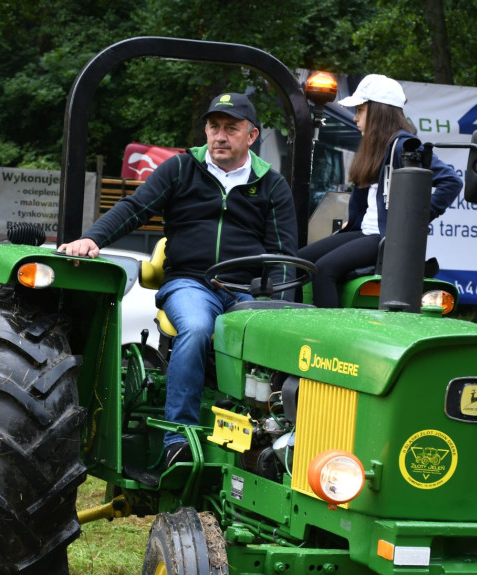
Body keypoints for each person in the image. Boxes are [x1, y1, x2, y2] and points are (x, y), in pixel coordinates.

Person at [58, 92, 300, 466]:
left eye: (230, 129)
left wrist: (280, 307)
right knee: (198, 327)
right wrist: (92, 238)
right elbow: (134, 208)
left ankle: (279, 439)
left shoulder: (271, 185)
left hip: (248, 293)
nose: (219, 136)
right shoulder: (181, 169)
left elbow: (283, 254)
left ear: (251, 137)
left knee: (287, 339)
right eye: (214, 127)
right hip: (192, 283)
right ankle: (179, 438)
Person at [299, 74, 463, 308]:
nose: (355, 118)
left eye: (360, 110)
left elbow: (452, 181)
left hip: (385, 238)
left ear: (378, 112)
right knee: (297, 260)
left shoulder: (404, 145)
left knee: (324, 270)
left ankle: (332, 337)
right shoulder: (375, 147)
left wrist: (415, 221)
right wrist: (351, 223)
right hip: (366, 233)